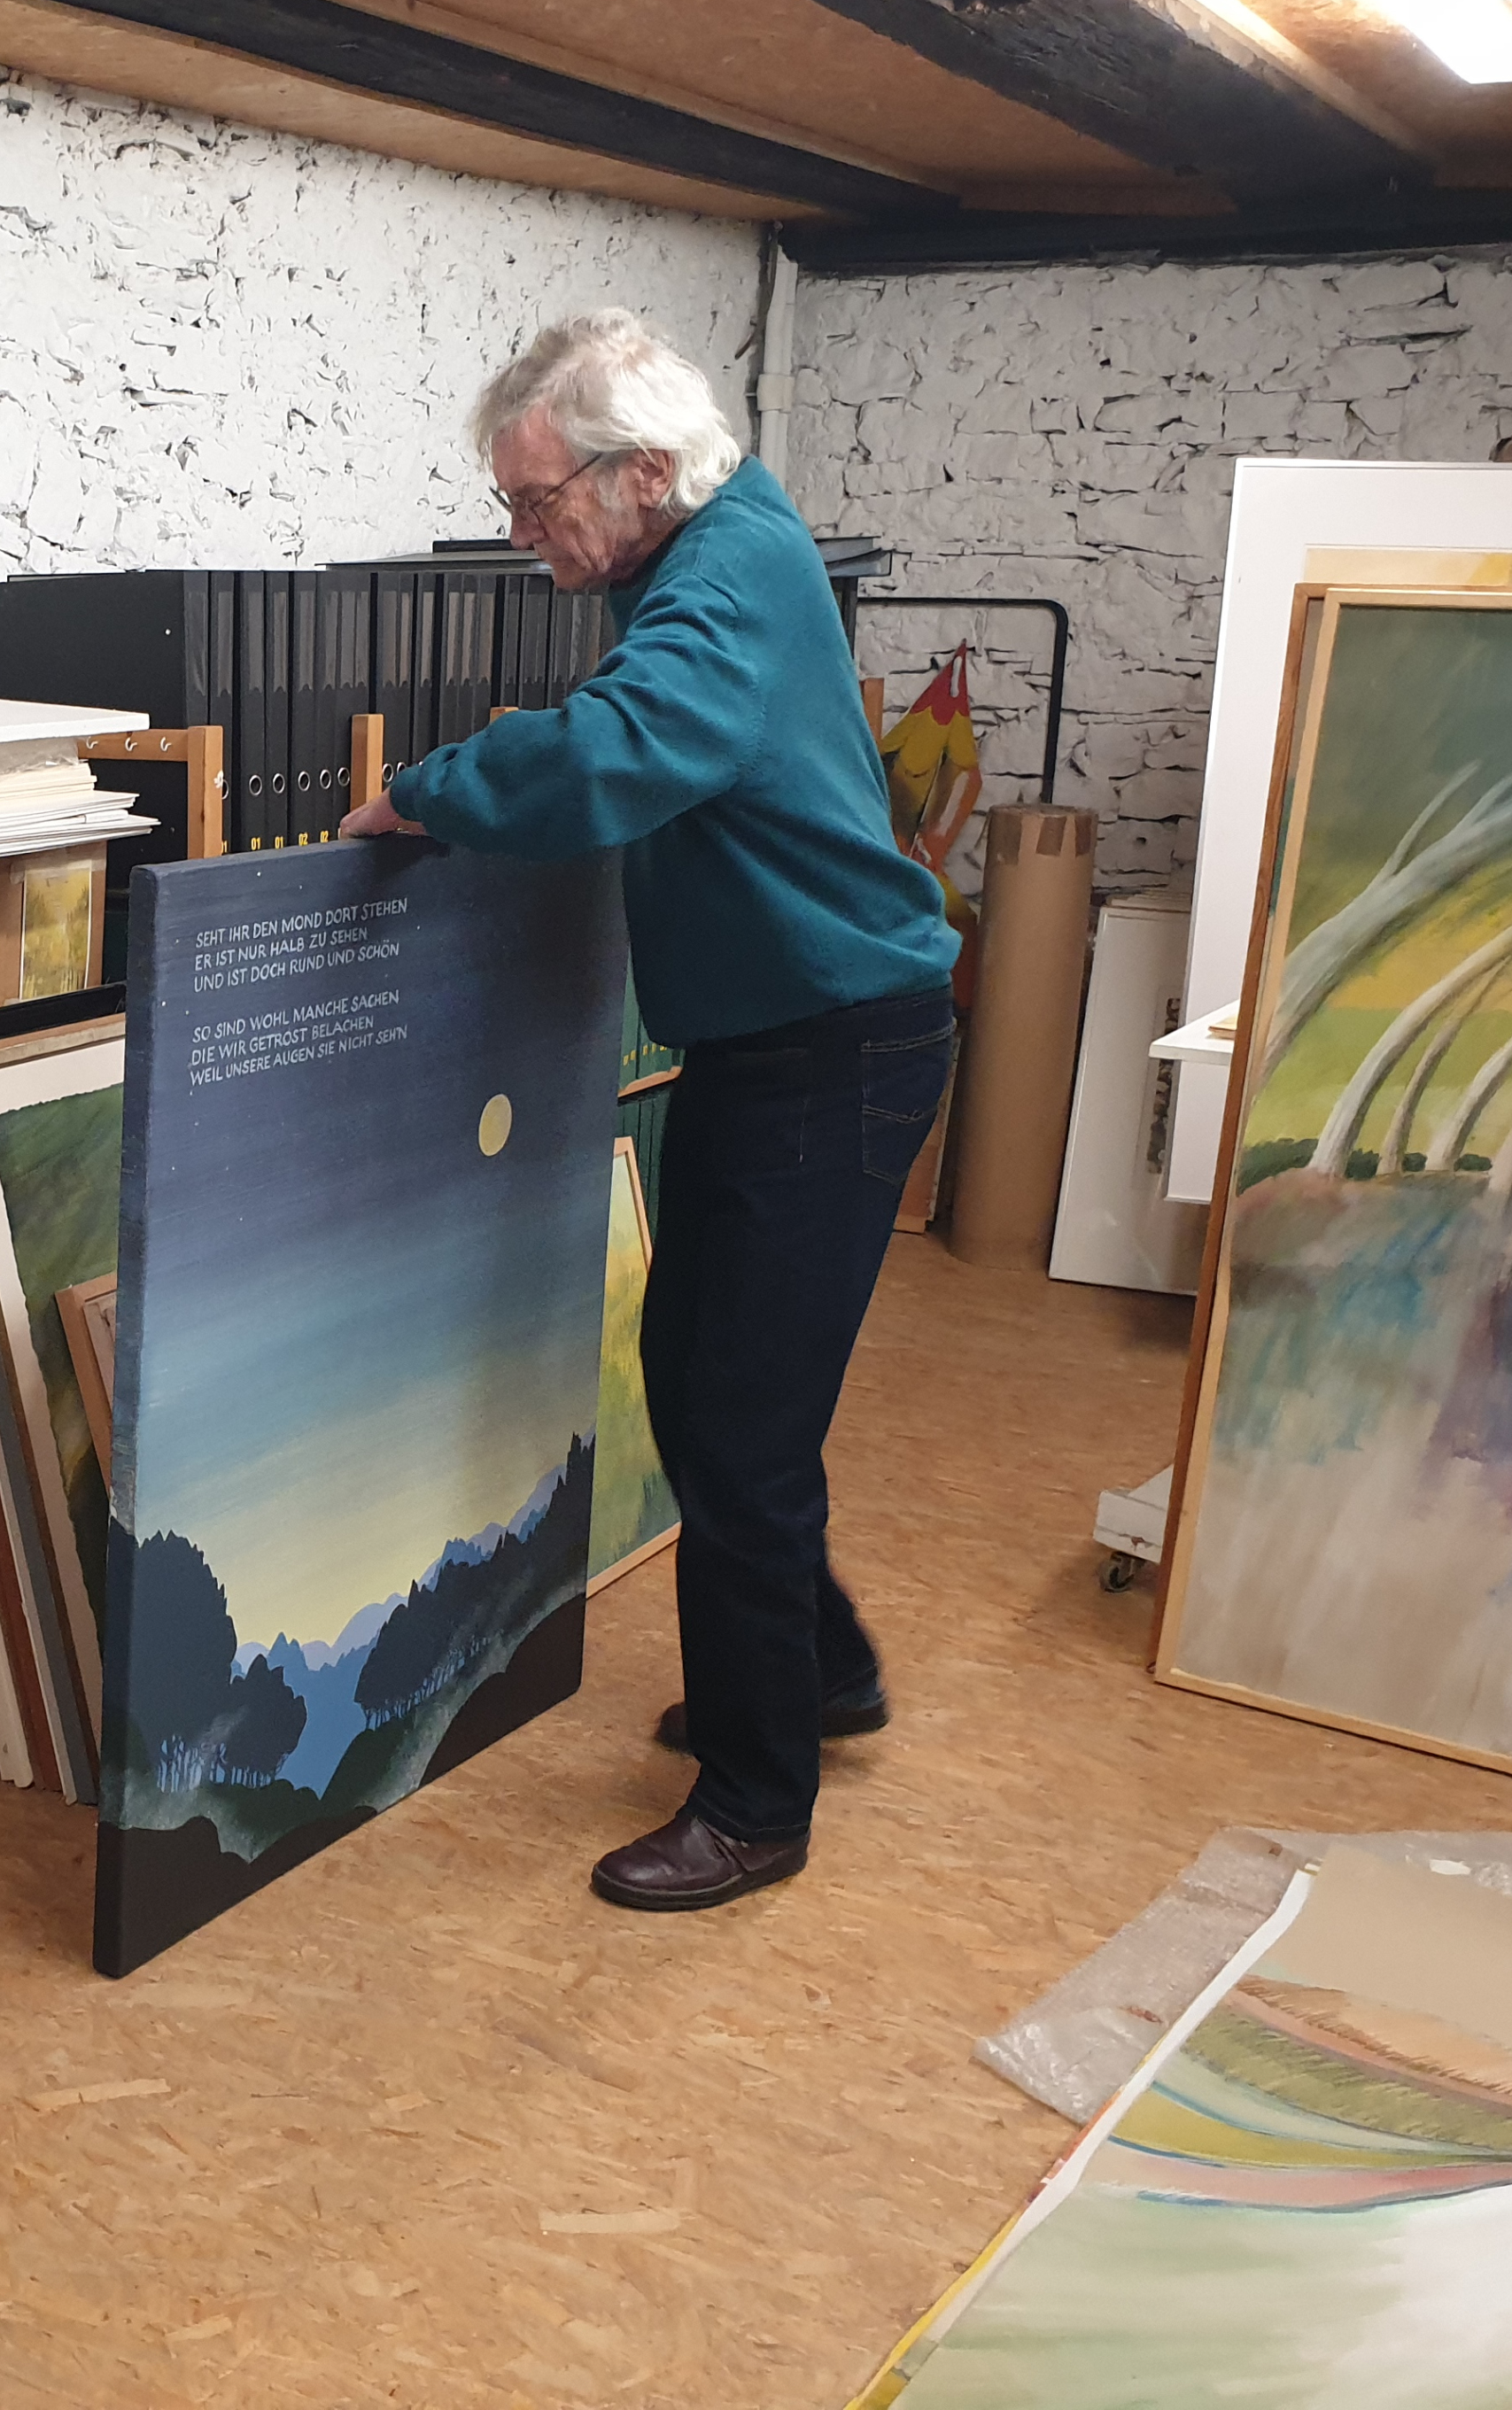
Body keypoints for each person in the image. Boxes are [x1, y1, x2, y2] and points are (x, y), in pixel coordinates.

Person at [342, 309, 958, 1913]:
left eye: (537, 501)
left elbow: (628, 748)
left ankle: (756, 1803)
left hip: (832, 1047)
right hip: (783, 1039)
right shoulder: (711, 547)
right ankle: (821, 1670)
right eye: (512, 503)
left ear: (646, 472)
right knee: (700, 1389)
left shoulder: (724, 578)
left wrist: (430, 791)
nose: (523, 533)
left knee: (740, 1427)